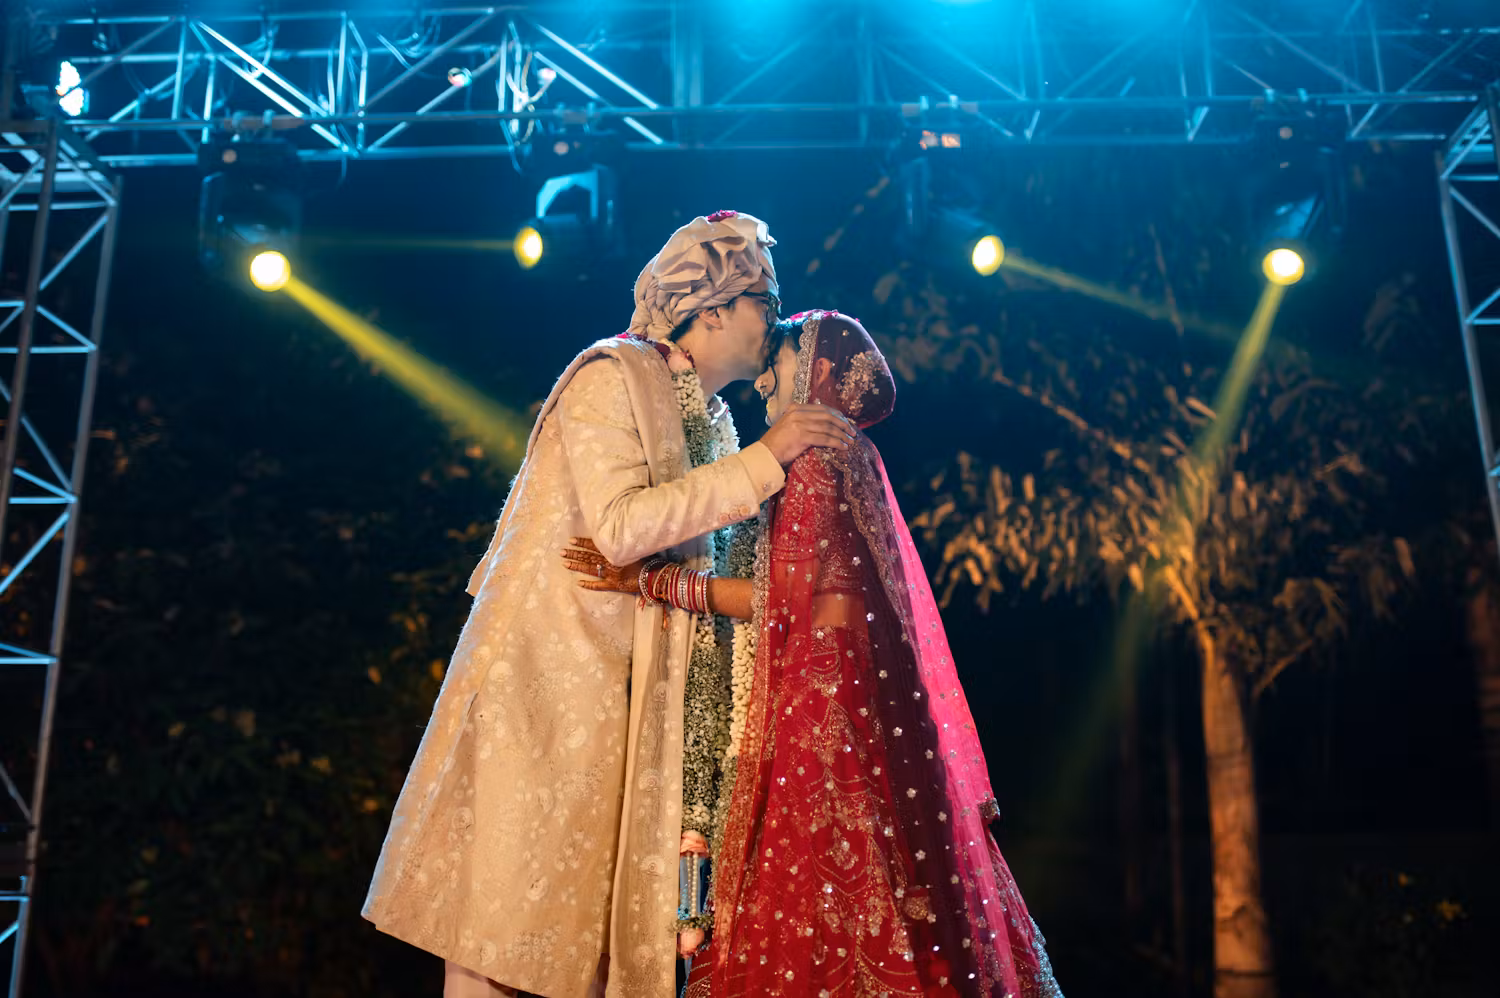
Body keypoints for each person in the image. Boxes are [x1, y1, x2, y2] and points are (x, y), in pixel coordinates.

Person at [363, 214, 857, 998]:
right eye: (765, 298)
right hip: (545, 696)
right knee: (498, 938)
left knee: (581, 955)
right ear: (714, 307)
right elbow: (621, 525)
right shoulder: (611, 377)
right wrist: (771, 457)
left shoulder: (715, 418)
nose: (775, 316)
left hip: (630, 711)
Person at [564, 310, 1062, 997]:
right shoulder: (853, 459)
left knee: (819, 911)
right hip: (852, 719)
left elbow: (787, 599)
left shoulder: (819, 464)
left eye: (785, 356)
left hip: (820, 732)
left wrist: (656, 580)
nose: (768, 371)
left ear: (819, 372)